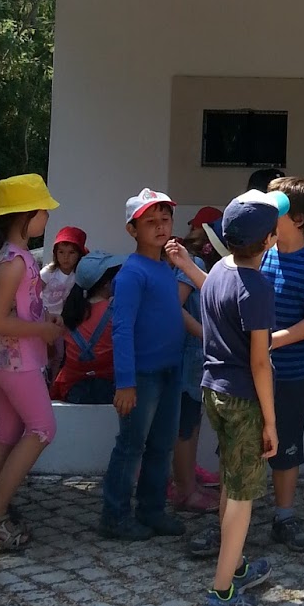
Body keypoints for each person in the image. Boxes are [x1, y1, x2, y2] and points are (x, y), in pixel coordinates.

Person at [197, 190, 282, 606]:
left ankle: (236, 565)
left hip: (212, 389)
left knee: (231, 482)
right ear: (268, 240)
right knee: (243, 494)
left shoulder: (216, 271)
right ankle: (221, 593)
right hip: (244, 398)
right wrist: (271, 421)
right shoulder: (258, 287)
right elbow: (260, 360)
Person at [0, 175, 63, 551]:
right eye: (43, 211)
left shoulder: (13, 257)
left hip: (4, 357)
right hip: (14, 360)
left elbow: (12, 311)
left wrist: (43, 322)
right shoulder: (15, 263)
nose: (47, 216)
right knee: (42, 428)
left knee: (6, 432)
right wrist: (43, 330)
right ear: (26, 216)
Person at [100, 188, 190, 540]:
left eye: (164, 219)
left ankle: (152, 510)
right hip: (142, 375)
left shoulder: (165, 266)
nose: (160, 226)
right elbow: (122, 328)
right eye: (150, 221)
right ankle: (115, 515)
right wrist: (126, 382)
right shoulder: (132, 273)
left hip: (170, 370)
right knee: (131, 446)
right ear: (132, 230)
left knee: (162, 445)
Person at [260, 176, 304, 552]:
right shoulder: (260, 253)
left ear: (299, 219)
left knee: (286, 447)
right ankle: (231, 519)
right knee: (242, 445)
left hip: (291, 374)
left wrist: (274, 340)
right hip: (251, 374)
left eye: (274, 208)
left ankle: (284, 516)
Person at [171, 218, 215, 513]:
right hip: (189, 356)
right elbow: (175, 306)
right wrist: (205, 334)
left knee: (191, 422)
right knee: (186, 426)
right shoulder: (194, 264)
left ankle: (189, 485)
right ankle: (185, 490)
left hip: (195, 356)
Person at [52, 253, 121, 404]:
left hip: (71, 388)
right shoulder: (116, 311)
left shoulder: (71, 310)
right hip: (109, 386)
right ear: (106, 283)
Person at [40, 226, 87, 322]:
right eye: (61, 252)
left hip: (62, 319)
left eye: (71, 252)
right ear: (55, 253)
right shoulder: (48, 272)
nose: (66, 257)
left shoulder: (78, 275)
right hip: (42, 316)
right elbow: (33, 292)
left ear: (79, 254)